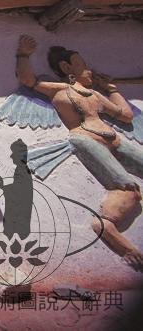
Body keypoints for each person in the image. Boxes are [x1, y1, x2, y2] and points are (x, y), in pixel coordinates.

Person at [14, 34, 143, 271]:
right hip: (85, 139)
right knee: (128, 188)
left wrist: (111, 88)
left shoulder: (95, 95)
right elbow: (28, 80)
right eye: (83, 66)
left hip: (113, 138)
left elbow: (125, 115)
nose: (90, 71)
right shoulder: (61, 89)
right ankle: (109, 228)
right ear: (67, 68)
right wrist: (23, 54)